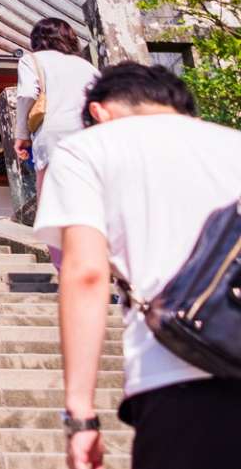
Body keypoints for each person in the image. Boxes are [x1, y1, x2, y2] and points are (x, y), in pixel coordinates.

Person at [33, 63, 241, 469]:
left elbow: (87, 274)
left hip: (180, 374)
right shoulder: (233, 143)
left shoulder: (90, 148)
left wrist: (81, 415)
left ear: (98, 112)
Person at [13, 17, 100, 195]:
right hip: (88, 133)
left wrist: (21, 133)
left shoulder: (32, 60)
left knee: (51, 195)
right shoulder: (87, 66)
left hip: (52, 132)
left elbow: (28, 94)